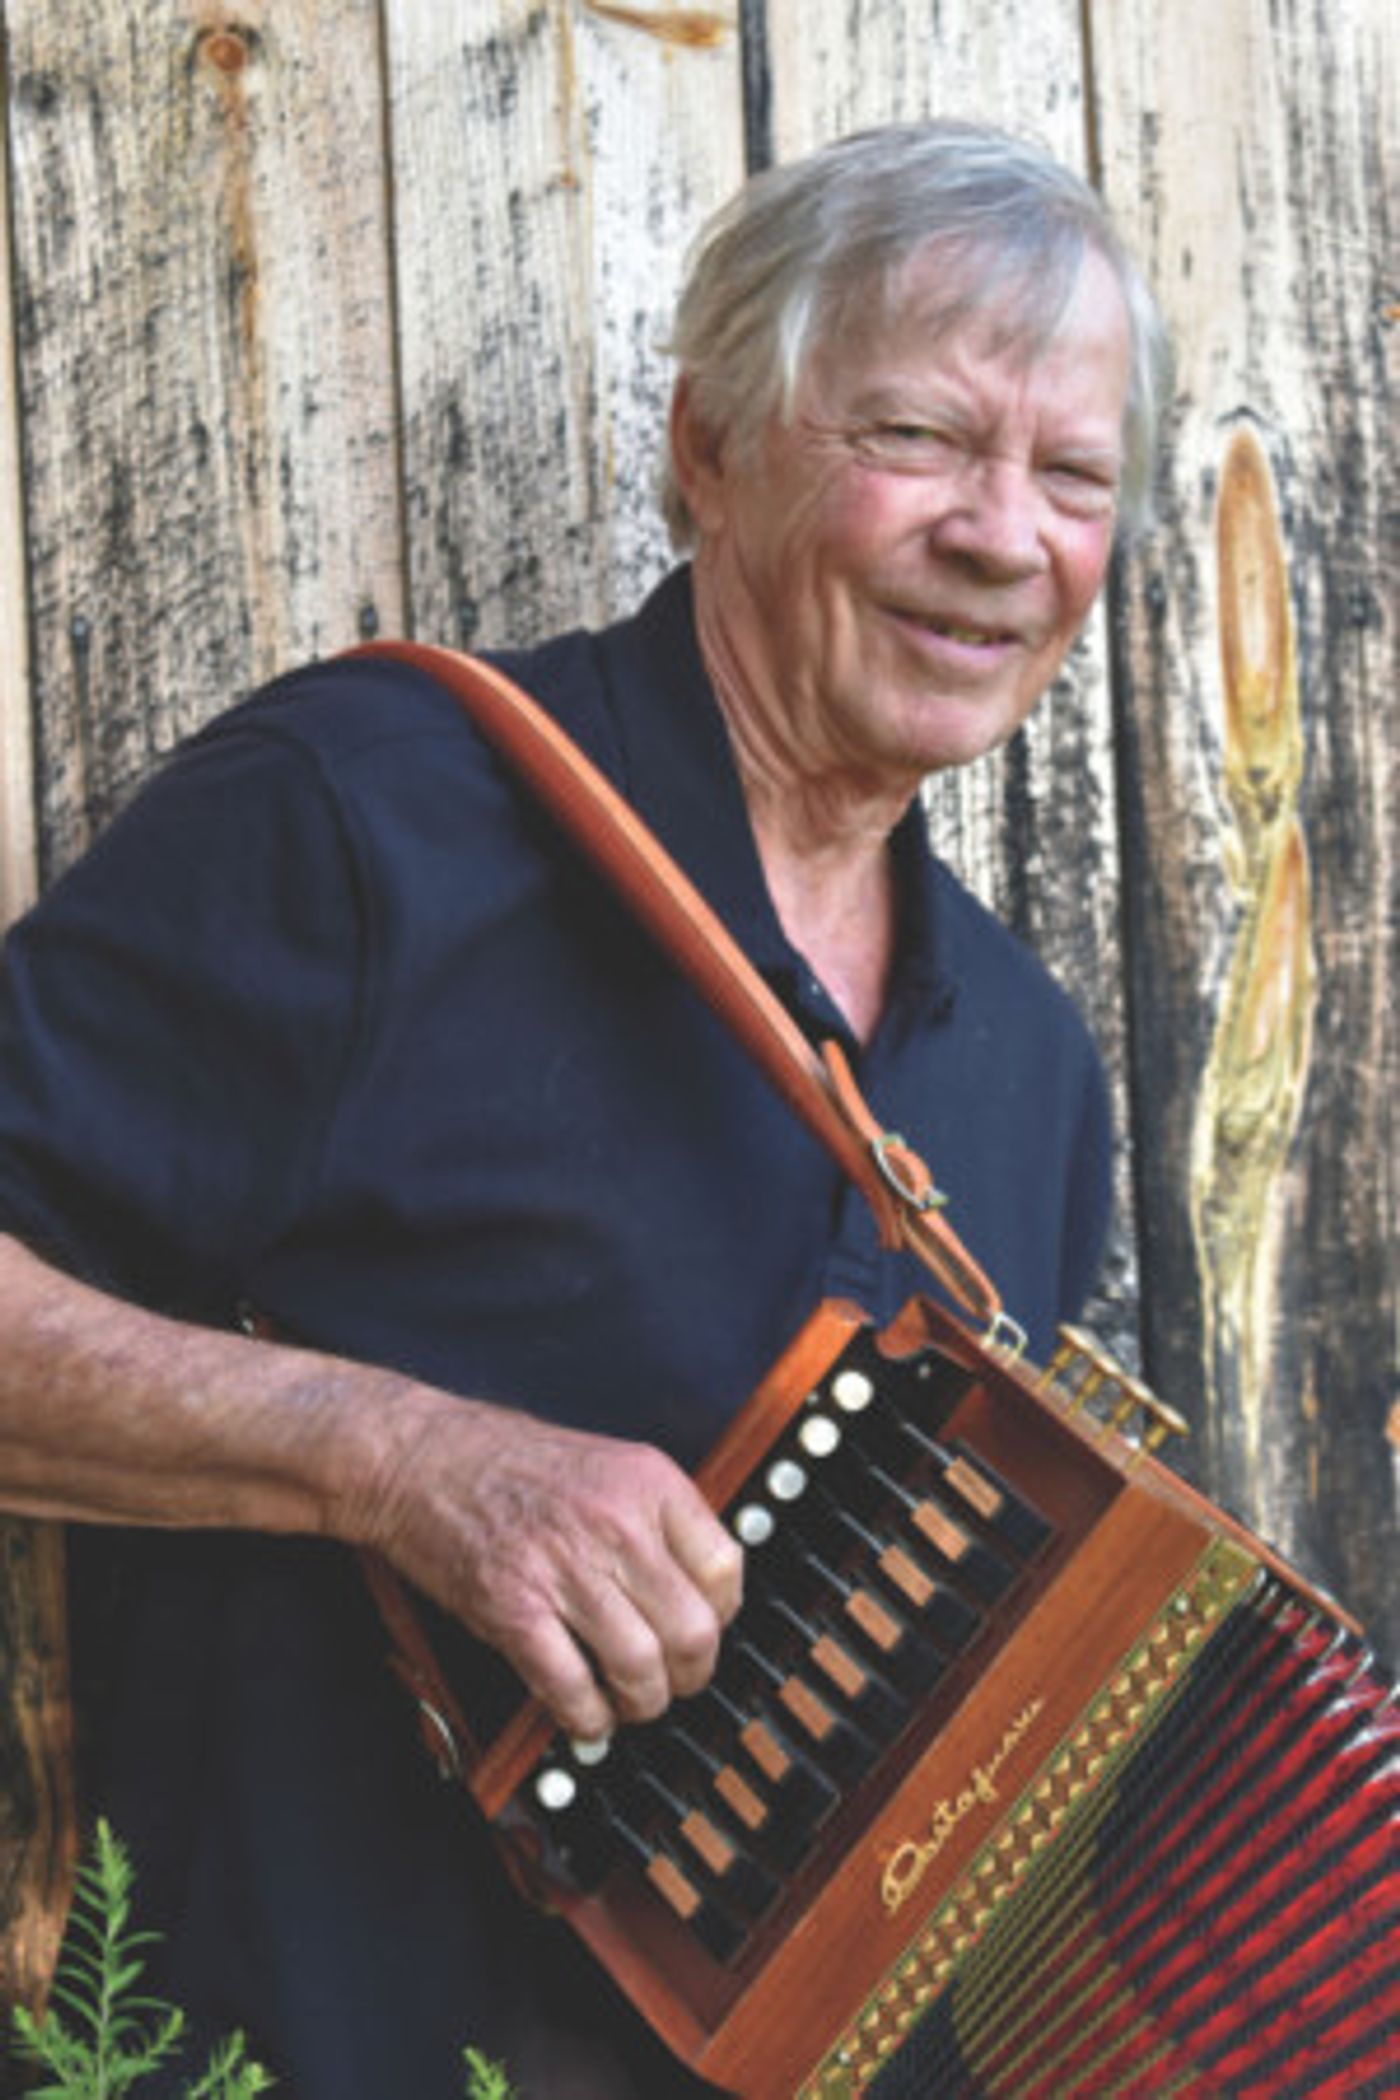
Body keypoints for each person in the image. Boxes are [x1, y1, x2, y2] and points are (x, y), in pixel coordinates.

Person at [0, 121, 1167, 2097]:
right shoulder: (368, 820)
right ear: (710, 445)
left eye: (1071, 477)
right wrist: (398, 1455)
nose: (1004, 536)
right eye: (918, 439)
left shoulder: (1027, 1066)